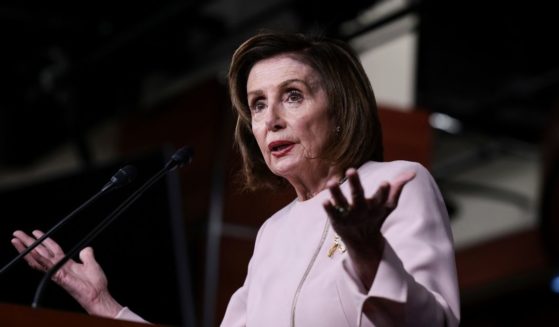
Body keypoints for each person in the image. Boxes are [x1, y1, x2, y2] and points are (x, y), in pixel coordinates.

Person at [11, 31, 460, 326]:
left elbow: (434, 323)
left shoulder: (398, 183)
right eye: (258, 104)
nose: (271, 120)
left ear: (340, 109)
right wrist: (105, 307)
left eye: (293, 96)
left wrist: (369, 253)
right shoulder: (272, 233)